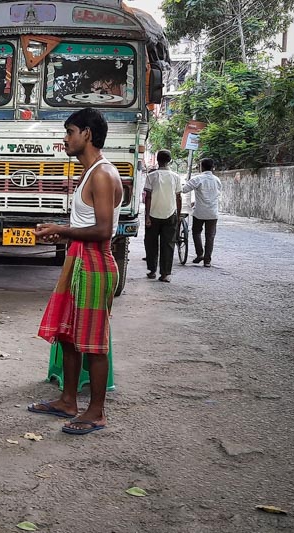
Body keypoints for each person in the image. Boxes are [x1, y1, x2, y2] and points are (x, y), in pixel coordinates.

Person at [27, 108, 122, 435]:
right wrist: (64, 231)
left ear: (87, 135)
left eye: (70, 132)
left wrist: (63, 231)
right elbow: (87, 225)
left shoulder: (101, 174)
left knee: (94, 343)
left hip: (95, 262)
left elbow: (104, 230)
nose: (65, 139)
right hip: (78, 259)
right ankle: (68, 400)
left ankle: (96, 412)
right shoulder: (90, 172)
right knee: (68, 336)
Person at [143, 150, 182, 282]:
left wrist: (147, 217)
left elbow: (148, 197)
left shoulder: (151, 176)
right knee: (168, 244)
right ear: (170, 160)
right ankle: (165, 274)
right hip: (170, 214)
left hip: (153, 214)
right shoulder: (176, 177)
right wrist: (178, 215)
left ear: (158, 161)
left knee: (151, 243)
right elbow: (178, 198)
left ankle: (152, 270)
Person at [183, 158, 222, 267]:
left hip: (200, 211)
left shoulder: (197, 179)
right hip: (213, 212)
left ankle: (200, 253)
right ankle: (207, 260)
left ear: (201, 167)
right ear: (212, 167)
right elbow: (216, 194)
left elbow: (184, 189)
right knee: (210, 236)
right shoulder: (217, 180)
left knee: (196, 232)